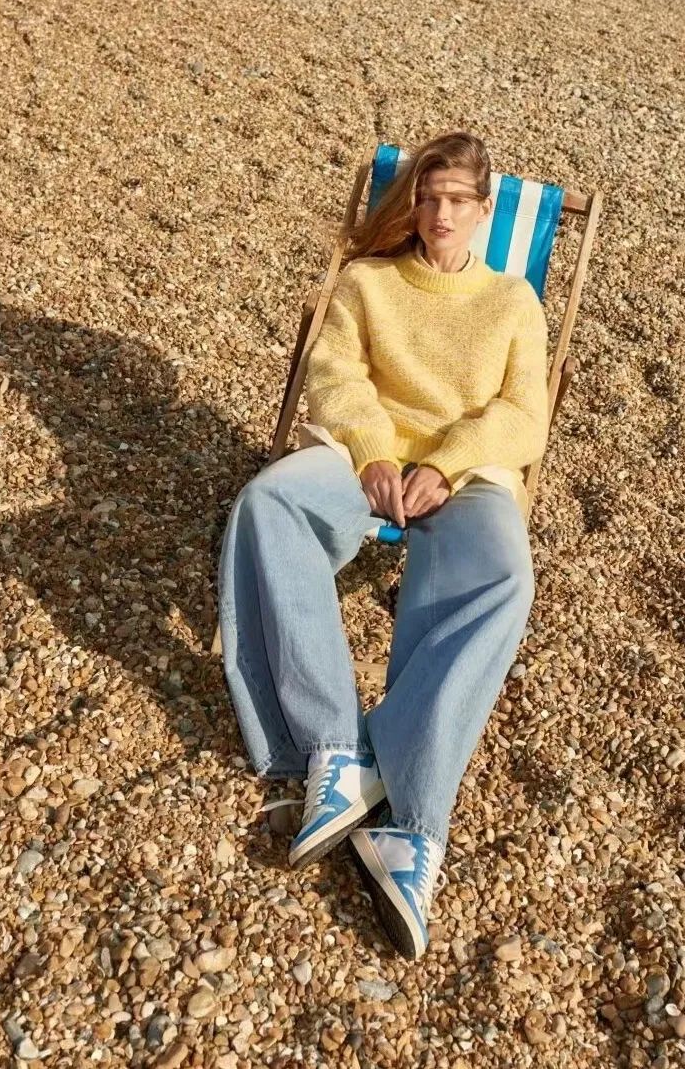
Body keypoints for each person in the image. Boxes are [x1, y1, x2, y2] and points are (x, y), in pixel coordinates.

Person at [217, 131, 549, 960]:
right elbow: (334, 374)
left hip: (464, 473)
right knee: (269, 502)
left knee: (506, 576)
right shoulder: (369, 281)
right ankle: (336, 749)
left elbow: (523, 414)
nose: (441, 214)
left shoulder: (514, 301)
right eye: (428, 197)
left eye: (458, 201)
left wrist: (447, 462)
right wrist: (370, 450)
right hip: (361, 459)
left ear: (483, 210)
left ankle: (411, 821)